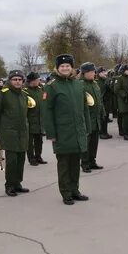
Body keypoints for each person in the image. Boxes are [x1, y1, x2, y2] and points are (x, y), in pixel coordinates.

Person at [43, 54, 91, 205]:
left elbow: (85, 108)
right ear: (57, 68)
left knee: (75, 163)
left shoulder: (78, 84)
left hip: (77, 131)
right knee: (64, 164)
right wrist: (51, 133)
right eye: (62, 66)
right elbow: (47, 111)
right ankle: (66, 193)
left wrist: (87, 126)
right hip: (62, 131)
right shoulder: (51, 86)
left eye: (68, 66)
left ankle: (75, 190)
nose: (65, 68)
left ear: (72, 68)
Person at [0, 70, 30, 197]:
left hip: (22, 132)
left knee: (21, 159)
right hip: (9, 132)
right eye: (15, 79)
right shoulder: (3, 94)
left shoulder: (24, 94)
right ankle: (9, 185)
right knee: (12, 161)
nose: (17, 82)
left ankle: (18, 183)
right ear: (10, 81)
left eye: (20, 79)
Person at [80, 62, 106, 171]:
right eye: (90, 72)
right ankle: (85, 163)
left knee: (94, 141)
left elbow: (99, 99)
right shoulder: (80, 85)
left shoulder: (95, 84)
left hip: (96, 118)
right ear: (84, 73)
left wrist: (103, 112)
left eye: (93, 72)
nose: (92, 74)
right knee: (87, 142)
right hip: (87, 118)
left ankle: (92, 161)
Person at [24, 72, 47, 166]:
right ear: (31, 81)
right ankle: (31, 158)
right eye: (37, 80)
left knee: (39, 140)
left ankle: (38, 156)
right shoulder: (25, 92)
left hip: (39, 120)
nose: (39, 81)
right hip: (30, 120)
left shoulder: (40, 90)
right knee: (30, 142)